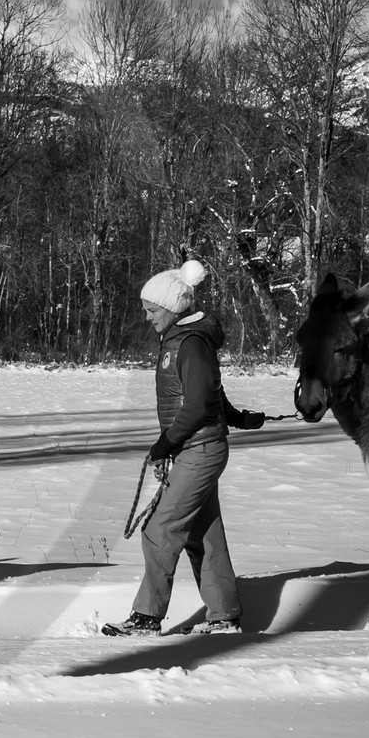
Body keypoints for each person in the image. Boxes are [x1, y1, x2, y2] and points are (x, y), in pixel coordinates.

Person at [102, 258, 265, 638]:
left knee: (159, 530)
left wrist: (166, 443)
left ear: (173, 309)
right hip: (197, 447)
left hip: (200, 449)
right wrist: (238, 417)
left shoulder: (191, 343)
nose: (147, 317)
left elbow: (194, 404)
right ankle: (224, 617)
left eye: (152, 310)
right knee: (202, 534)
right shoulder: (181, 340)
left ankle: (146, 618)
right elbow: (210, 394)